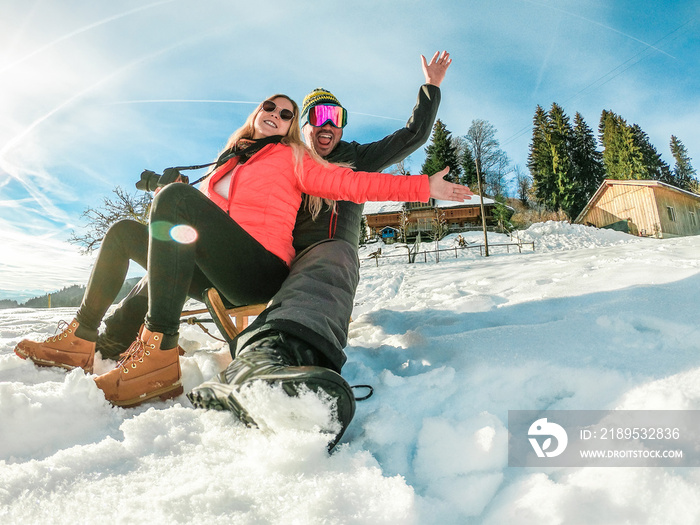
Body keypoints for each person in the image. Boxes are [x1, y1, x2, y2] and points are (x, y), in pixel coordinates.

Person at [15, 76, 471, 414]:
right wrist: (166, 189)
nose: (278, 114)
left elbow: (357, 183)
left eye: (287, 113)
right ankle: (85, 337)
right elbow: (204, 215)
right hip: (233, 263)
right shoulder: (229, 162)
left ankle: (170, 351)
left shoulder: (304, 158)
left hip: (276, 264)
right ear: (257, 115)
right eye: (271, 108)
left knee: (317, 255)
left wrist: (422, 184)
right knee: (127, 234)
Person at [187, 52, 462, 447]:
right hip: (286, 259)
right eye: (317, 117)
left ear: (342, 124)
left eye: (335, 117)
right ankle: (260, 360)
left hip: (333, 251)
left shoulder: (357, 158)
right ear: (306, 126)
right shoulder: (290, 159)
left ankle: (289, 365)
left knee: (333, 259)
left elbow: (412, 137)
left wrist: (430, 88)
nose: (327, 125)